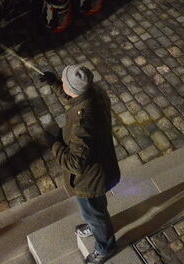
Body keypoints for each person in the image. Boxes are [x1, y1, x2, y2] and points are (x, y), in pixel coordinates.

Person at [40, 65, 120, 264]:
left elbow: (75, 163)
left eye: (64, 82)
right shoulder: (95, 92)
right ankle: (95, 225)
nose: (63, 83)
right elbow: (74, 96)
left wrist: (54, 143)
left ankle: (105, 247)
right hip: (101, 166)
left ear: (72, 88)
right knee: (97, 208)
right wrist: (56, 83)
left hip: (89, 180)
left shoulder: (81, 122)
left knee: (93, 212)